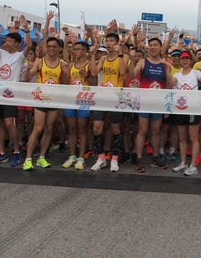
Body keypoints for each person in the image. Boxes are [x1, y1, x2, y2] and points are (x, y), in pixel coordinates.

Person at [0, 13, 32, 167]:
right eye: (5, 41)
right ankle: (1, 152)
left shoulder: (20, 56)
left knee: (9, 123)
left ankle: (16, 152)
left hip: (10, 96)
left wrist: (26, 30)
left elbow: (29, 46)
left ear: (17, 43)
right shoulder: (2, 53)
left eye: (9, 41)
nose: (6, 43)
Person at [23, 34, 69, 171]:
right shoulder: (39, 62)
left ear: (59, 49)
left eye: (54, 46)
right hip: (40, 99)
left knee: (49, 128)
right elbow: (28, 79)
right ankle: (28, 159)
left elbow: (64, 84)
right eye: (48, 46)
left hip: (53, 100)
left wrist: (65, 73)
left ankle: (41, 157)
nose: (51, 49)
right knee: (38, 128)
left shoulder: (62, 64)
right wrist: (29, 68)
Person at [129, 34, 171, 172]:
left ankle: (155, 157)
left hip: (158, 103)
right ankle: (139, 159)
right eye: (150, 45)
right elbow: (131, 75)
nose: (152, 47)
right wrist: (131, 59)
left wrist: (167, 106)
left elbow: (168, 85)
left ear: (160, 48)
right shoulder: (143, 62)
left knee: (156, 131)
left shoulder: (165, 65)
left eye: (155, 45)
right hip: (144, 102)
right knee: (142, 130)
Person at [90, 27, 128, 172]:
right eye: (107, 41)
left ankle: (114, 158)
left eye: (111, 41)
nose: (108, 43)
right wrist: (92, 55)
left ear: (117, 43)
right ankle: (101, 158)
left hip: (117, 97)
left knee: (115, 128)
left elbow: (123, 72)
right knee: (97, 127)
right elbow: (94, 72)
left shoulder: (123, 57)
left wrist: (120, 54)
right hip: (102, 96)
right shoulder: (103, 58)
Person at [170, 51, 201, 176]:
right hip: (181, 108)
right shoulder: (177, 74)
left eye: (187, 58)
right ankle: (183, 162)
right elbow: (170, 80)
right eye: (183, 58)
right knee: (182, 137)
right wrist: (165, 67)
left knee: (193, 138)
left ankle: (193, 165)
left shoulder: (196, 73)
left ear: (190, 60)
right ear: (180, 61)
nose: (185, 60)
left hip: (193, 108)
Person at [62, 38, 92, 170]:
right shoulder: (70, 65)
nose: (74, 52)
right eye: (74, 50)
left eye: (77, 50)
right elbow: (65, 83)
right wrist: (64, 74)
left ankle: (81, 158)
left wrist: (86, 75)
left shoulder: (90, 65)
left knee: (82, 129)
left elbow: (94, 83)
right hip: (71, 100)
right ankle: (72, 156)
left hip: (84, 101)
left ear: (84, 51)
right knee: (72, 129)